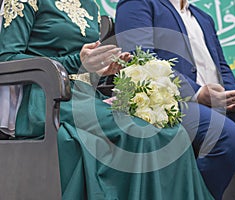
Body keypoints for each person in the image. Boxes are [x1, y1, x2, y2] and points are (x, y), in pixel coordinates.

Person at [0, 0, 214, 199]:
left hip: (84, 95)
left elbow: (84, 66)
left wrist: (103, 69)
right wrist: (77, 61)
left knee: (173, 134)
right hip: (43, 98)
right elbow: (6, 57)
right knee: (142, 134)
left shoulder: (90, 4)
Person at [115, 0, 235, 199]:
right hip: (169, 103)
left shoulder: (203, 17)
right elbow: (141, 60)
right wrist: (197, 93)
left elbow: (221, 66)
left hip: (216, 106)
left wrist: (232, 96)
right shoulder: (138, 3)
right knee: (225, 135)